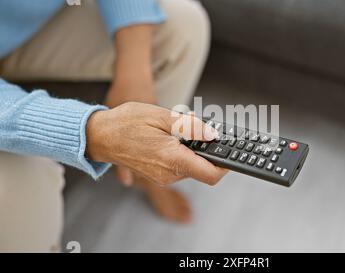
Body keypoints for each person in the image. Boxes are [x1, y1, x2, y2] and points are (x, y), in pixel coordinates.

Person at [0, 0, 226, 252]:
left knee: (186, 27)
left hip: (28, 26)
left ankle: (149, 171)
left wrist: (134, 68)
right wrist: (92, 130)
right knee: (23, 194)